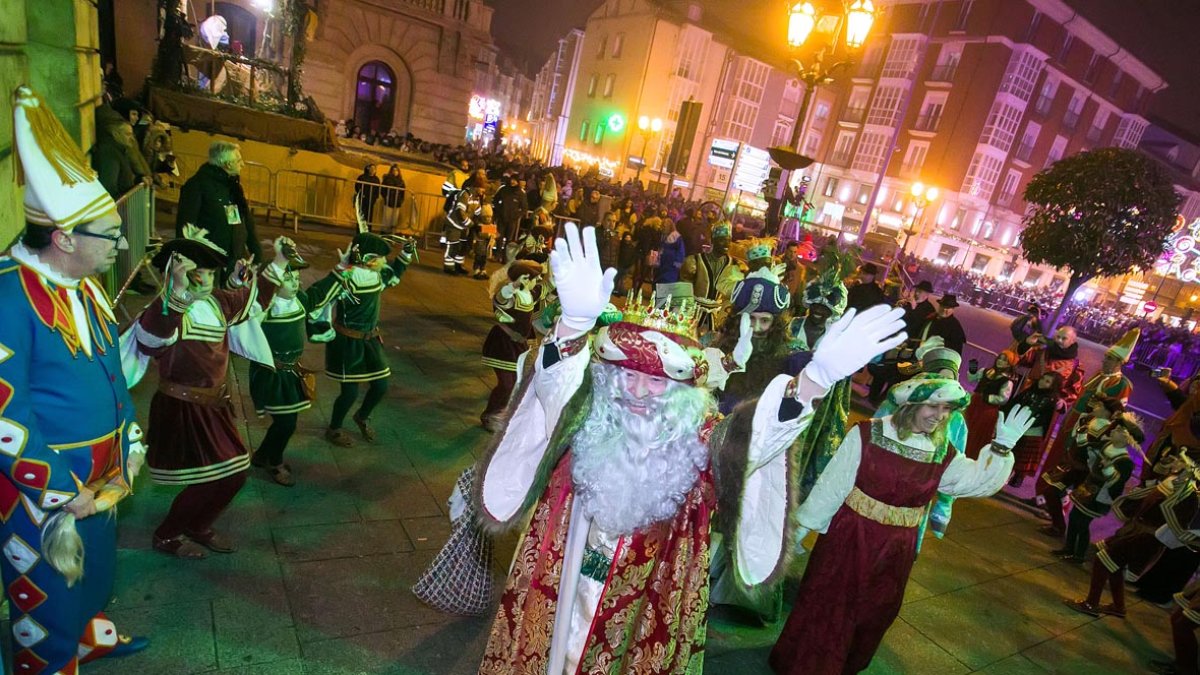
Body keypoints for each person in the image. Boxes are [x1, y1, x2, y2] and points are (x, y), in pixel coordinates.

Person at [475, 224, 908, 674]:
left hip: (644, 603)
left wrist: (812, 382)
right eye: (627, 374)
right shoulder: (588, 413)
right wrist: (573, 326)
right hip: (558, 586)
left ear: (683, 391)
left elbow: (755, 442)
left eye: (658, 380)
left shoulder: (702, 441)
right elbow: (556, 384)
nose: (639, 392)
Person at [0, 85, 149, 671]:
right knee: (47, 596)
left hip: (102, 478)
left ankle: (88, 637)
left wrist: (128, 439)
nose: (120, 244)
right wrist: (63, 489)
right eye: (109, 235)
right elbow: (6, 415)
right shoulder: (8, 294)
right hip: (49, 492)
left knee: (93, 578)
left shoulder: (84, 284)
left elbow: (110, 372)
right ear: (64, 238)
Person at [770, 378, 1033, 674]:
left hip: (896, 549)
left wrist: (1000, 448)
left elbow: (972, 482)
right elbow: (834, 485)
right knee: (831, 602)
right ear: (912, 405)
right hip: (851, 538)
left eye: (947, 409)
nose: (940, 415)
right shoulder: (869, 434)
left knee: (874, 612)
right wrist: (802, 528)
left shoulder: (940, 451)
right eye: (933, 406)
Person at [136, 227, 291, 558]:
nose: (205, 280)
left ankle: (196, 524)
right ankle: (167, 535)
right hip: (182, 408)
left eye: (209, 273)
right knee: (219, 475)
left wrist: (277, 261)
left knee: (232, 475)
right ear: (177, 275)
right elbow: (149, 339)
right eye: (196, 274)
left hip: (214, 406)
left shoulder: (217, 302)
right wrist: (176, 294)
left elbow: (252, 301)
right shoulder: (166, 308)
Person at [313, 233, 416, 446]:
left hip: (370, 340)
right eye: (381, 257)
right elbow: (317, 296)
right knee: (349, 393)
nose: (385, 261)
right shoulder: (347, 280)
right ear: (369, 259)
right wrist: (339, 271)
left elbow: (394, 273)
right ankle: (334, 428)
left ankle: (361, 416)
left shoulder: (376, 276)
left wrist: (405, 253)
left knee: (381, 386)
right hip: (347, 343)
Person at [1064, 469, 1200, 620]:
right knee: (1114, 565)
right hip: (1136, 530)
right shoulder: (1177, 481)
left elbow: (1178, 523)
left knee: (1103, 560)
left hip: (1146, 537)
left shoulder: (1189, 494)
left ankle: (1091, 603)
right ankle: (1118, 606)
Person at [1036, 329, 1136, 527]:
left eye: (1109, 358)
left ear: (1119, 362)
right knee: (1056, 464)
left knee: (1071, 470)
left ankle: (1059, 510)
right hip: (1071, 425)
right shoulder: (1099, 375)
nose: (1104, 361)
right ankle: (1043, 498)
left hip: (1087, 433)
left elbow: (1115, 413)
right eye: (1106, 357)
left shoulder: (1122, 384)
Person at [248, 261, 321, 487]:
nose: (295, 282)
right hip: (272, 374)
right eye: (288, 278)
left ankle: (261, 456)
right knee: (287, 423)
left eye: (297, 277)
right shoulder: (266, 308)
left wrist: (343, 269)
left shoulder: (299, 300)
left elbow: (321, 294)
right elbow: (246, 328)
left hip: (291, 372)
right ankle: (275, 462)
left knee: (285, 421)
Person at [1054, 414, 1142, 563]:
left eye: (1118, 430)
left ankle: (1079, 555)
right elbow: (1087, 449)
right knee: (1074, 518)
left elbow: (1116, 482)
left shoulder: (1125, 461)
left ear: (1127, 438)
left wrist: (1108, 469)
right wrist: (1082, 433)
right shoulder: (1107, 445)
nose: (1113, 431)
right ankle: (1068, 548)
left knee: (1082, 523)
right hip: (1088, 487)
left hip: (1099, 496)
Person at [176, 140, 262, 275]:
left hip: (235, 263)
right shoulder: (196, 185)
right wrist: (187, 265)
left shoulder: (233, 186)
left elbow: (247, 222)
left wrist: (257, 256)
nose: (243, 165)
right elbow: (185, 227)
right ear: (227, 164)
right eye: (239, 161)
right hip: (207, 266)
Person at [480, 260, 544, 431]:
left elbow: (549, 286)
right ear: (523, 279)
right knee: (507, 383)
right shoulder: (512, 295)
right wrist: (513, 285)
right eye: (533, 279)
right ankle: (490, 415)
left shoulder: (530, 293)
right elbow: (501, 299)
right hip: (503, 344)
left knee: (514, 382)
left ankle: (500, 413)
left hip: (517, 344)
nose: (536, 282)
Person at [1005, 372, 1062, 487]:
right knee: (1013, 452)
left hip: (1033, 431)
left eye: (1047, 381)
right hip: (1017, 426)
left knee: (1023, 457)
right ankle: (1005, 474)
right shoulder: (1030, 391)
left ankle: (1018, 477)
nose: (1042, 382)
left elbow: (1045, 417)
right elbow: (1015, 403)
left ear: (1053, 385)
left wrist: (1029, 422)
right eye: (1043, 378)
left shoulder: (1051, 399)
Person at [681, 221, 739, 333]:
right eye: (722, 240)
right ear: (713, 241)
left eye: (729, 241)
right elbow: (683, 291)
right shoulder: (694, 261)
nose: (726, 244)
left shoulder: (734, 266)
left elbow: (733, 296)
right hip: (692, 314)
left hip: (718, 318)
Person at [963, 351, 1017, 459]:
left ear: (1009, 364)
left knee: (978, 433)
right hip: (974, 404)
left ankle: (971, 456)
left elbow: (1003, 399)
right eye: (1000, 358)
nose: (1000, 361)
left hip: (987, 410)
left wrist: (987, 397)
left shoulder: (1007, 381)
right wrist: (972, 369)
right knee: (965, 427)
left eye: (1005, 360)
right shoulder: (986, 371)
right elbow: (971, 379)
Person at [379, 164, 406, 234]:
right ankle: (384, 233)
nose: (395, 172)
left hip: (397, 202)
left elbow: (403, 192)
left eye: (396, 170)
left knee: (394, 220)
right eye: (393, 170)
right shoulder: (387, 180)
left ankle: (391, 233)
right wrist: (386, 197)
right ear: (391, 171)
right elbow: (383, 190)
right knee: (386, 219)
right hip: (389, 201)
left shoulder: (401, 181)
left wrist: (401, 200)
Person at [354, 163, 381, 228]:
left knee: (369, 217)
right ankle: (360, 230)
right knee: (361, 215)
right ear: (368, 169)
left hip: (371, 200)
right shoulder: (362, 177)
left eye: (374, 169)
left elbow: (377, 190)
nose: (372, 170)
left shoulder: (376, 179)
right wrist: (361, 194)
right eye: (371, 168)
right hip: (362, 199)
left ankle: (368, 230)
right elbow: (357, 186)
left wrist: (375, 198)